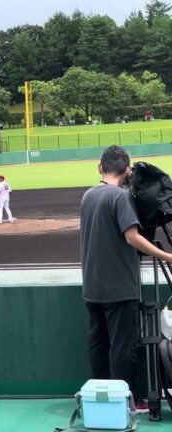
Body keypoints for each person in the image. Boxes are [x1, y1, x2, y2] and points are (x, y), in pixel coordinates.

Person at [80, 145, 172, 408]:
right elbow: (132, 237)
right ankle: (125, 403)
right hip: (120, 288)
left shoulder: (88, 196)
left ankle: (99, 402)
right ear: (128, 170)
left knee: (98, 347)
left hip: (93, 287)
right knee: (122, 349)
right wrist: (167, 257)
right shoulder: (120, 198)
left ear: (100, 167)